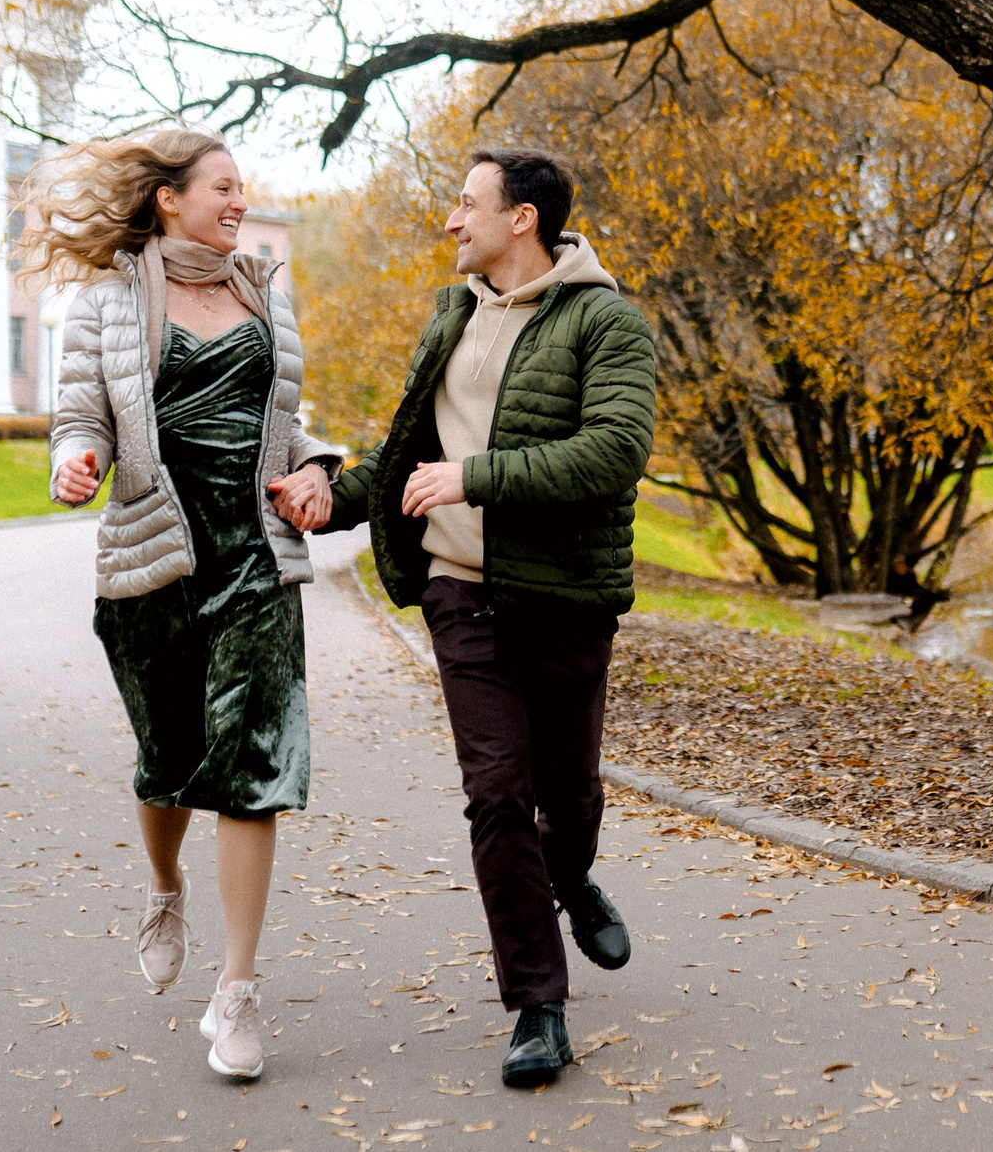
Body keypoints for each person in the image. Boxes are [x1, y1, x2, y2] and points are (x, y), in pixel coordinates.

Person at [324, 147, 656, 1089]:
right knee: (498, 793)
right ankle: (538, 1006)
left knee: (569, 794)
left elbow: (615, 449)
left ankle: (571, 874)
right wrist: (329, 497)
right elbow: (412, 451)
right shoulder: (453, 315)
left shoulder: (607, 321)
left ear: (522, 218)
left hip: (565, 596)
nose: (451, 219)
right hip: (460, 590)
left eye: (466, 203)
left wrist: (476, 477)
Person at [33, 128, 343, 1081]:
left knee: (253, 765)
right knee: (167, 760)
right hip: (156, 560)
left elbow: (288, 425)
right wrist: (75, 460)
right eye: (223, 186)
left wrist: (317, 474)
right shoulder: (107, 301)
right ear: (170, 198)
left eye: (243, 188)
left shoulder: (265, 293)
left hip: (256, 558)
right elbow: (79, 416)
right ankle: (165, 885)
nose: (239, 201)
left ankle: (238, 989)